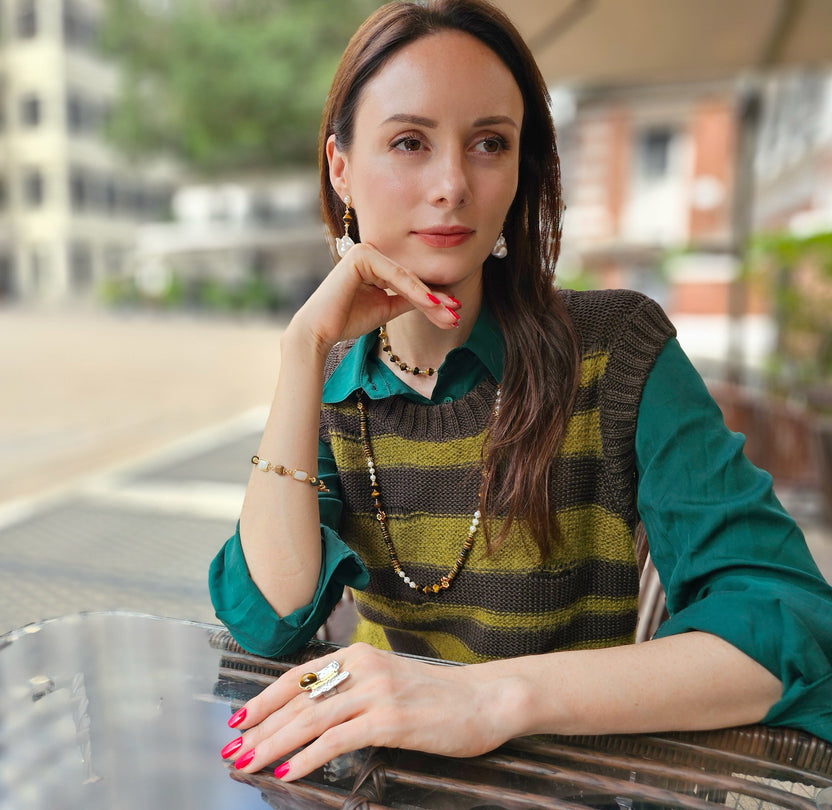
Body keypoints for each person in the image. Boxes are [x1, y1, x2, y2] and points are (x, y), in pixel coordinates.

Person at [209, 0, 832, 784]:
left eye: (489, 145)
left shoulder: (618, 352)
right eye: (409, 141)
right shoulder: (332, 383)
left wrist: (488, 698)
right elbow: (268, 619)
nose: (451, 185)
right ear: (341, 167)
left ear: (517, 171)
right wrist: (302, 350)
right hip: (377, 786)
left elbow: (793, 630)